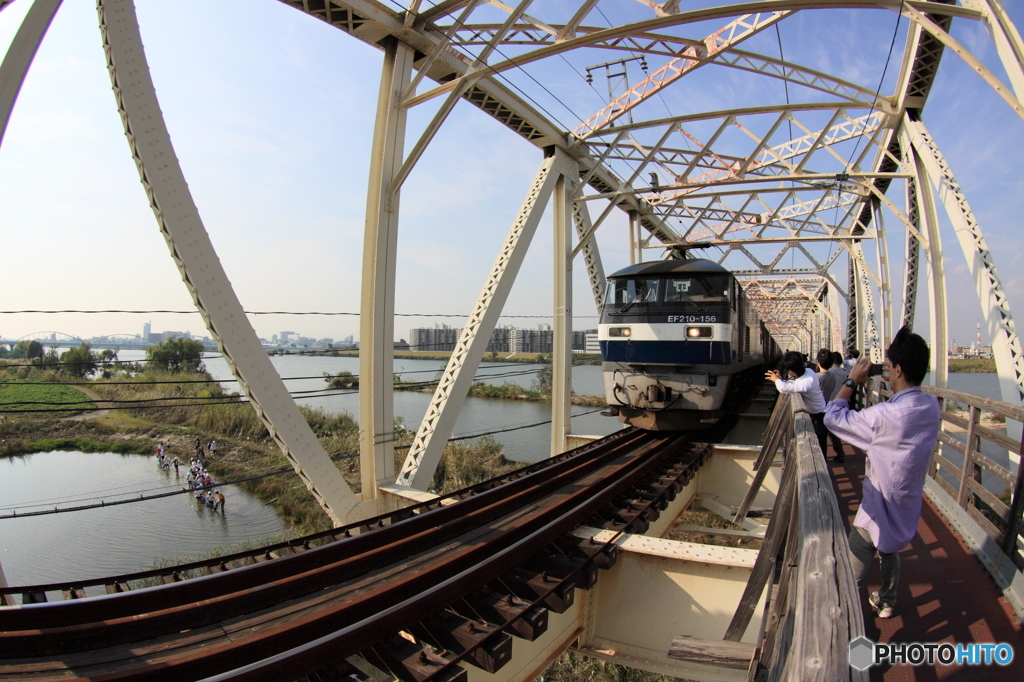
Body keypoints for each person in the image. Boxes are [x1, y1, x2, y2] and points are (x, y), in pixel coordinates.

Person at [825, 326, 940, 619]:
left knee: (849, 573)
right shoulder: (930, 406)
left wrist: (852, 380)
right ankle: (886, 601)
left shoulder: (883, 417)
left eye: (887, 367)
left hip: (877, 506)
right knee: (889, 549)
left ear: (898, 370)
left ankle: (839, 618)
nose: (885, 372)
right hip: (906, 502)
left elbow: (833, 418)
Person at [766, 351, 828, 456]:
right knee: (818, 443)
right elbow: (794, 383)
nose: (788, 372)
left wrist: (777, 380)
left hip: (818, 416)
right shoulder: (809, 371)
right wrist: (781, 379)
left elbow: (784, 388)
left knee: (819, 446)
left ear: (791, 371)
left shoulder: (807, 383)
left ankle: (822, 468)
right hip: (817, 411)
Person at [814, 349, 845, 463]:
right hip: (834, 405)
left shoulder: (817, 377)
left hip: (821, 409)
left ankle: (822, 460)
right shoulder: (835, 375)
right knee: (834, 432)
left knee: (820, 436)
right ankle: (840, 453)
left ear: (818, 362)